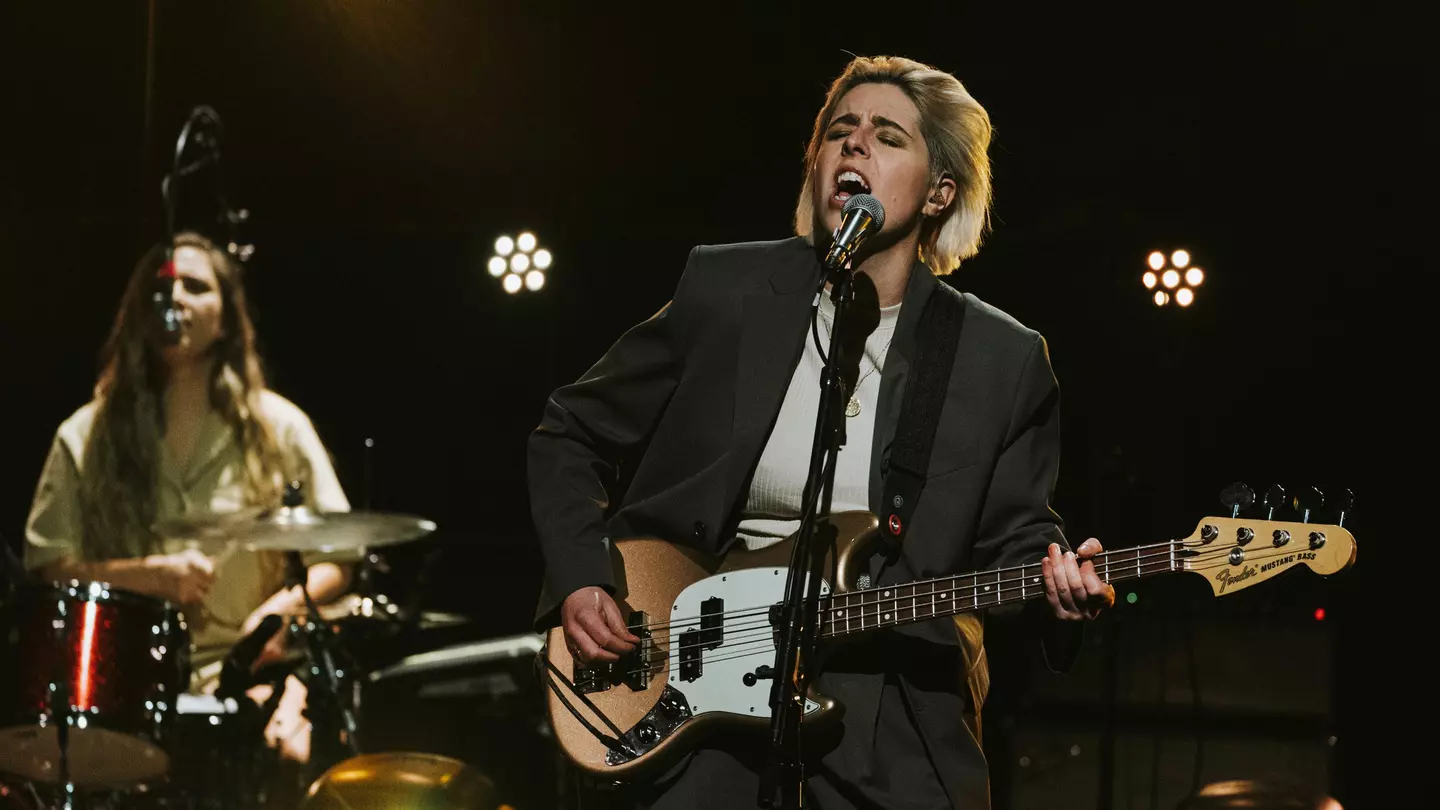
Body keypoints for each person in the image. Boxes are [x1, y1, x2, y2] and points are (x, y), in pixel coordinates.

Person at [528, 55, 1115, 808]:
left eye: (888, 137)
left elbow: (1017, 537)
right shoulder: (728, 291)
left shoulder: (1000, 358)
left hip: (892, 719)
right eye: (840, 131)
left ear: (940, 192)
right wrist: (582, 575)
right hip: (694, 697)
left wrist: (1059, 586)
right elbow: (570, 430)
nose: (855, 144)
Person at [24, 231, 354, 765]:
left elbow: (337, 557)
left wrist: (277, 615)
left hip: (254, 678)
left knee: (299, 758)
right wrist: (148, 577)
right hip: (119, 685)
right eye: (160, 290)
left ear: (225, 318)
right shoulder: (83, 435)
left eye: (195, 287)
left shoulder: (281, 427)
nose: (175, 298)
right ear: (138, 314)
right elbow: (48, 568)